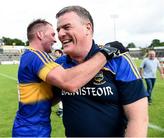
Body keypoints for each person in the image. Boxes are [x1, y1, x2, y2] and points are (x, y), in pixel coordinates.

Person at [12, 19, 120, 137]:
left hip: (31, 127)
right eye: (53, 34)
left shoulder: (30, 56)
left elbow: (52, 96)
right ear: (40, 34)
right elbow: (69, 82)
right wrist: (105, 53)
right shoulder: (36, 56)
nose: (55, 39)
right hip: (30, 131)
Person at [54, 5, 148, 137]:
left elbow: (138, 119)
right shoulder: (59, 64)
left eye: (67, 27)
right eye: (58, 30)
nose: (60, 34)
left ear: (88, 27)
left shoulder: (118, 60)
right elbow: (47, 100)